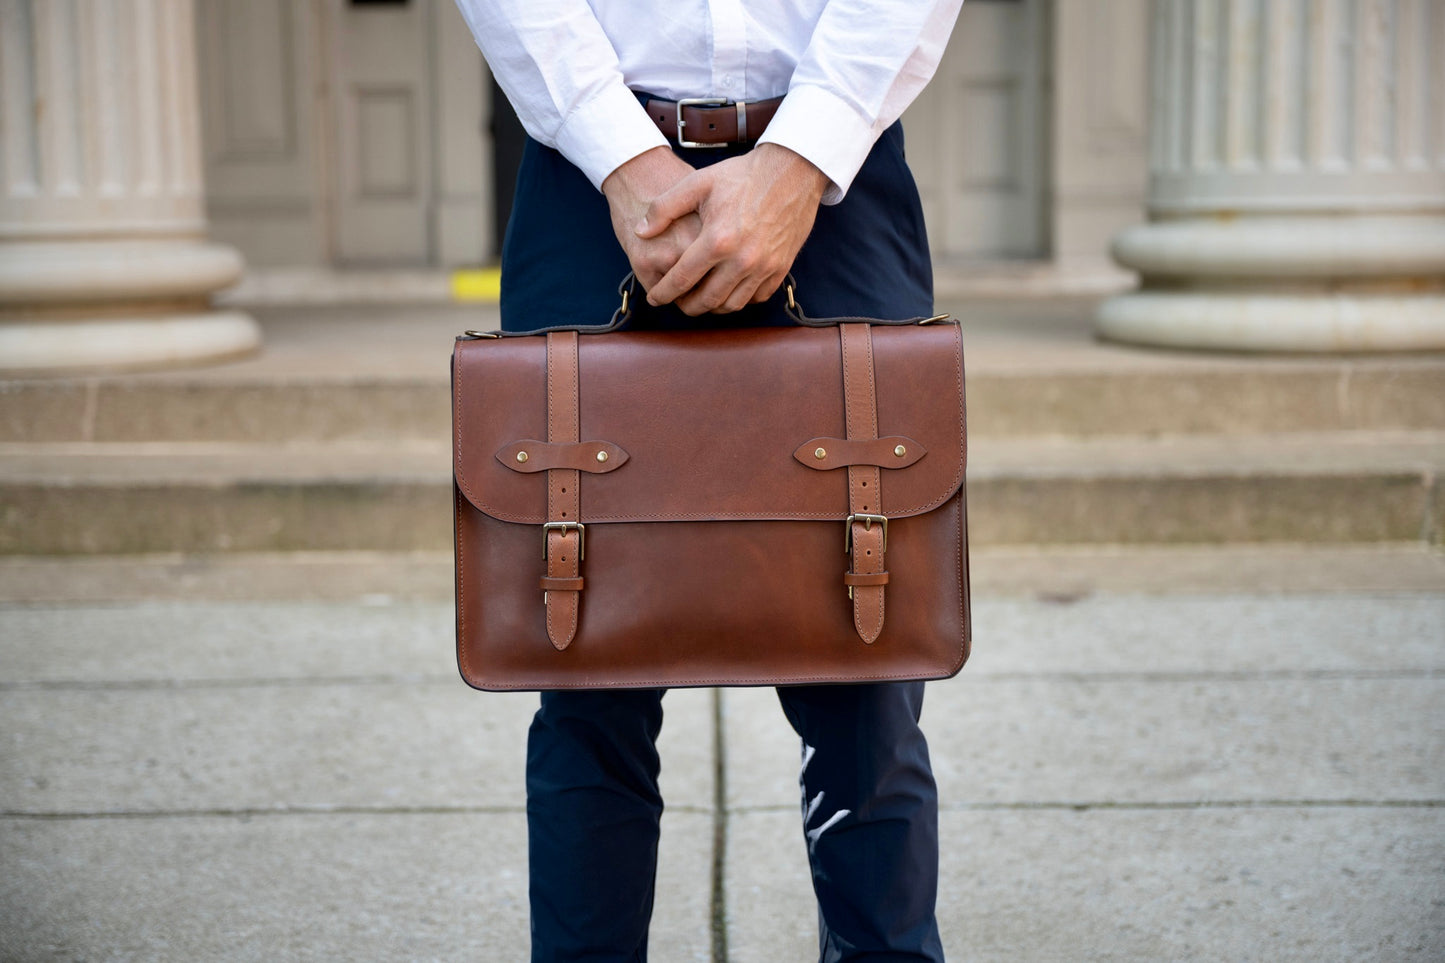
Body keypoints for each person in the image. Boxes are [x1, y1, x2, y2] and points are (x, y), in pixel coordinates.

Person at [454, 2, 965, 960]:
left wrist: (800, 157)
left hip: (837, 175)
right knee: (582, 668)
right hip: (584, 175)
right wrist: (621, 156)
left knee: (872, 672)